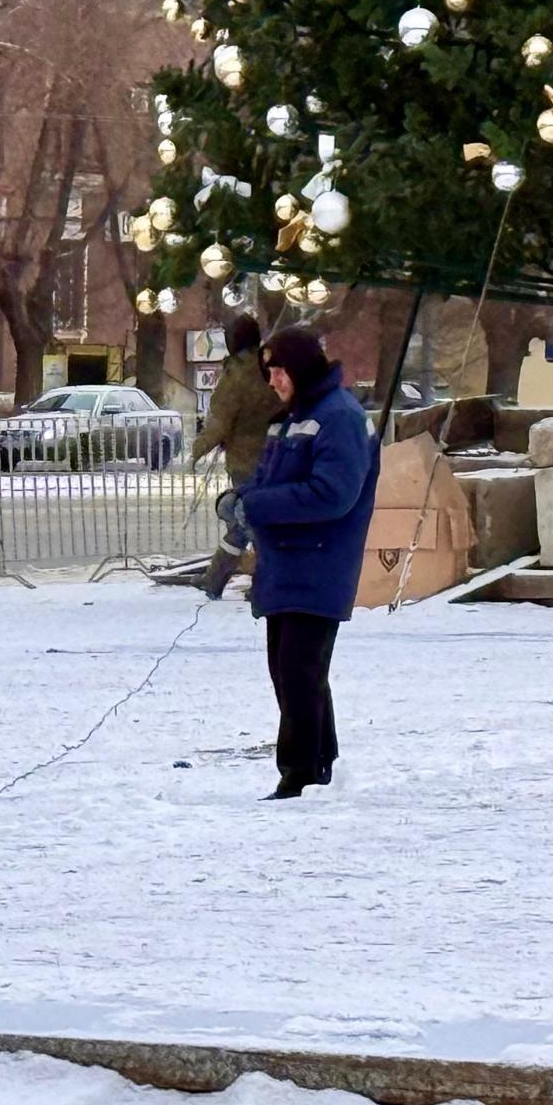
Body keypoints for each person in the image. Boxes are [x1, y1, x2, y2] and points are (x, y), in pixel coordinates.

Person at [236, 327, 380, 801]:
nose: (273, 381)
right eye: (269, 372)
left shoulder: (339, 418)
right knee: (291, 670)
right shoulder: (292, 419)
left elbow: (333, 495)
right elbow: (267, 479)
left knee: (299, 669)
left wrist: (257, 507)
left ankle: (301, 772)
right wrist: (239, 500)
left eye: (279, 371)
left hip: (320, 565)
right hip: (286, 567)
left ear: (300, 369)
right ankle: (319, 762)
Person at [190, 316, 281, 599]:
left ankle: (264, 583)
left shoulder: (238, 374)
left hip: (246, 459)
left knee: (250, 522)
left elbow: (220, 418)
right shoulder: (271, 366)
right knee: (246, 524)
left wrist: (198, 450)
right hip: (277, 456)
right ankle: (214, 578)